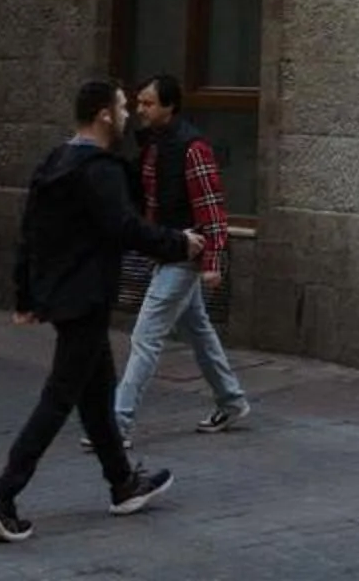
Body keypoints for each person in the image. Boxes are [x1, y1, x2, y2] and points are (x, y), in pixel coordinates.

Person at [0, 79, 196, 545]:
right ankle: (2, 498)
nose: (128, 115)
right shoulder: (99, 170)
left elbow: (28, 234)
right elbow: (125, 227)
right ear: (103, 115)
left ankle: (123, 483)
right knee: (59, 398)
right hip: (87, 297)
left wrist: (25, 296)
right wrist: (180, 243)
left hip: (64, 295)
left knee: (97, 395)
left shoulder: (57, 161)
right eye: (121, 107)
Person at [104, 75, 250, 441]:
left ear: (169, 107)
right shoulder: (153, 145)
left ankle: (117, 424)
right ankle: (231, 400)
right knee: (198, 330)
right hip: (166, 248)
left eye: (148, 103)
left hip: (185, 253)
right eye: (138, 103)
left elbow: (212, 207)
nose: (141, 110)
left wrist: (213, 260)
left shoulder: (191, 147)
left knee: (145, 336)